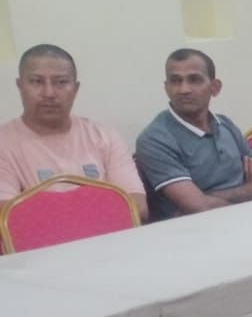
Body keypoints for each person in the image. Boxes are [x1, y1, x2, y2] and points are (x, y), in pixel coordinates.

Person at [0, 44, 147, 220]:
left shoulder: (105, 136)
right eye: (36, 82)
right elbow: (7, 218)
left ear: (76, 89)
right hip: (49, 240)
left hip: (110, 235)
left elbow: (137, 207)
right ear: (20, 86)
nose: (49, 93)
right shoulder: (4, 143)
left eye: (61, 82)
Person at [135, 48, 252, 219]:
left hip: (249, 219)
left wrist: (211, 196)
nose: (184, 89)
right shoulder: (155, 139)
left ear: (215, 87)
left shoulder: (225, 125)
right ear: (166, 88)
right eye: (175, 81)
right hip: (194, 230)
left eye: (194, 80)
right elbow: (200, 207)